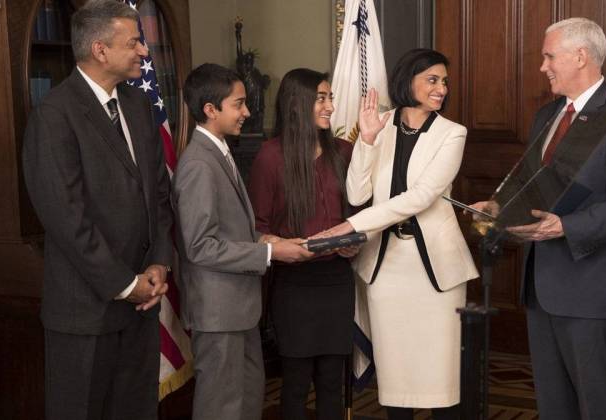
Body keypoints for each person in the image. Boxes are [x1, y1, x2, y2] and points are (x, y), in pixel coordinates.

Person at [471, 18, 606, 420]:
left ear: (580, 56)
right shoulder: (547, 116)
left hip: (593, 290)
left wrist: (565, 226)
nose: (543, 66)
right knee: (554, 406)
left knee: (599, 406)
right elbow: (537, 185)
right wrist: (502, 207)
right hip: (542, 288)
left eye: (549, 56)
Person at [22, 1, 173, 419]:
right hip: (85, 313)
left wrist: (159, 264)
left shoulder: (139, 107)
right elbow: (66, 217)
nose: (144, 52)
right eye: (134, 42)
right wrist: (126, 284)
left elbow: (159, 194)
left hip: (143, 308)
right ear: (100, 49)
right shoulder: (54, 115)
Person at [322, 49, 479, 419]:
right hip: (385, 267)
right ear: (408, 80)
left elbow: (421, 197)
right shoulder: (379, 124)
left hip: (436, 269)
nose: (441, 88)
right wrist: (368, 141)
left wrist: (353, 226)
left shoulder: (453, 133)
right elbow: (356, 193)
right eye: (432, 79)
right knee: (395, 375)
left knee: (442, 376)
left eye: (444, 81)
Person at [173, 63, 313, 420]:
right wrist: (268, 251)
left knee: (247, 401)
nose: (248, 113)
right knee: (221, 408)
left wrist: (265, 238)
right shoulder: (199, 165)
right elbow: (200, 245)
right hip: (219, 313)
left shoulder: (220, 151)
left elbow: (228, 230)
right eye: (238, 104)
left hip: (239, 309)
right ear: (210, 109)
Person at [249, 68, 357, 419]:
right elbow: (257, 227)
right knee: (294, 384)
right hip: (293, 285)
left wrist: (353, 243)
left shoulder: (345, 151)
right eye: (321, 98)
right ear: (298, 104)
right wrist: (281, 245)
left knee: (331, 382)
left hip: (338, 281)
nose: (329, 106)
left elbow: (360, 215)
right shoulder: (270, 156)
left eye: (330, 98)